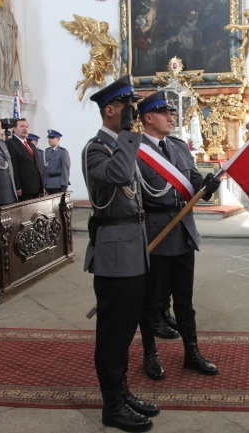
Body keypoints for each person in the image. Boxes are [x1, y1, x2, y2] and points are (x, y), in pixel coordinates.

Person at [83, 75, 157, 432]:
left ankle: (121, 390)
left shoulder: (125, 143)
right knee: (113, 333)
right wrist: (129, 133)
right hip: (114, 253)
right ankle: (111, 406)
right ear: (110, 110)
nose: (132, 113)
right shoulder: (95, 148)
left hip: (134, 248)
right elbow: (119, 173)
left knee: (127, 329)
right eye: (127, 107)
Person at [135, 90, 221, 381]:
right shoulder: (134, 150)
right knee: (149, 302)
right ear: (148, 118)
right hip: (155, 233)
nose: (171, 118)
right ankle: (150, 353)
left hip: (183, 231)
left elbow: (193, 178)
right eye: (164, 113)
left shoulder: (180, 146)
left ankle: (191, 353)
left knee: (184, 300)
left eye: (170, 113)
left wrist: (206, 184)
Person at [6, 119, 44, 201]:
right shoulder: (10, 144)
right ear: (14, 128)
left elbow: (37, 165)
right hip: (23, 188)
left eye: (26, 127)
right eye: (21, 126)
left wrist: (42, 186)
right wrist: (17, 186)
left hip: (36, 187)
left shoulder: (31, 145)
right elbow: (13, 167)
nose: (25, 129)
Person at [43, 130, 71, 194]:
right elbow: (44, 169)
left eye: (52, 138)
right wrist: (44, 183)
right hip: (48, 183)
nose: (50, 139)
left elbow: (65, 169)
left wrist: (64, 184)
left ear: (58, 139)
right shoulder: (47, 151)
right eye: (49, 138)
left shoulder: (63, 152)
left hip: (58, 184)